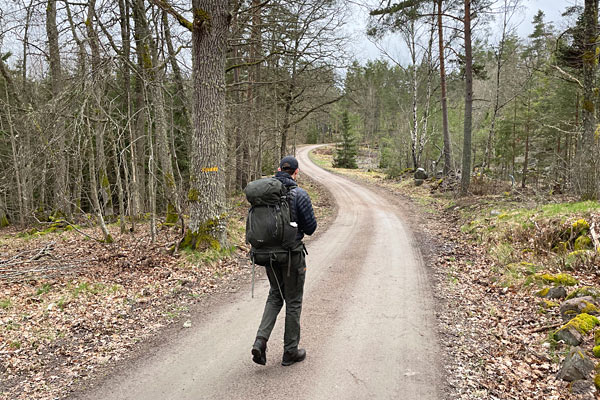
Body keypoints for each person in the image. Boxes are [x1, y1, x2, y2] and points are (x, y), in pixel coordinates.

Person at [251, 155, 317, 366]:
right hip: (291, 257)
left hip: (268, 256)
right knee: (293, 301)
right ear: (296, 173)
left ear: (278, 169)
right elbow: (311, 228)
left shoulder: (264, 195)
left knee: (275, 296)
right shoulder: (299, 195)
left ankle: (260, 342)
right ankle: (290, 351)